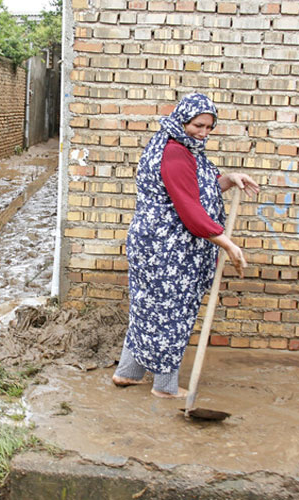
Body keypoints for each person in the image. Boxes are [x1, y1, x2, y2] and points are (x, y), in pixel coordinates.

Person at [112, 92, 260, 398]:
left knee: (147, 308)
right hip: (167, 248)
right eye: (198, 125)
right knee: (172, 312)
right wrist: (227, 243)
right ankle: (165, 387)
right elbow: (190, 210)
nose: (203, 133)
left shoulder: (178, 145)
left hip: (154, 243)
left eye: (209, 127)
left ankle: (127, 372)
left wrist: (230, 178)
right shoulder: (176, 152)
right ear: (183, 119)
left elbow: (196, 188)